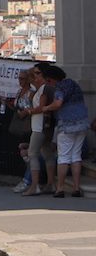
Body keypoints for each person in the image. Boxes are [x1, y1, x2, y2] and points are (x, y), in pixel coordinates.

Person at [40, 65, 90, 197]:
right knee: (76, 156)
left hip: (67, 125)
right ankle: (76, 187)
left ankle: (60, 189)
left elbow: (58, 103)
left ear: (50, 79)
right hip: (82, 123)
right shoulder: (74, 84)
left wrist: (47, 108)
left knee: (63, 157)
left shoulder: (60, 88)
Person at [23, 64, 56, 196]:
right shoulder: (45, 89)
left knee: (32, 153)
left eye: (37, 73)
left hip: (39, 126)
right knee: (47, 155)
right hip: (43, 126)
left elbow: (41, 107)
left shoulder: (44, 89)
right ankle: (50, 184)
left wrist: (29, 111)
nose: (35, 76)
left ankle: (35, 185)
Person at [7, 69, 35, 193]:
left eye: (23, 78)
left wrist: (27, 111)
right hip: (18, 123)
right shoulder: (19, 92)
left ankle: (30, 178)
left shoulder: (31, 93)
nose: (20, 81)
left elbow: (33, 107)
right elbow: (15, 107)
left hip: (28, 124)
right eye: (19, 78)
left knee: (27, 152)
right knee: (21, 151)